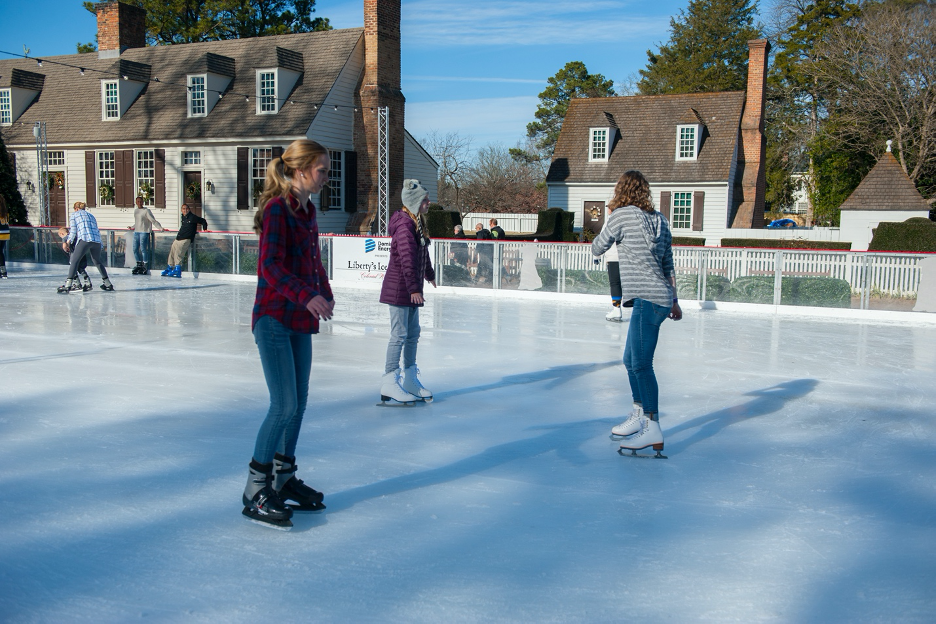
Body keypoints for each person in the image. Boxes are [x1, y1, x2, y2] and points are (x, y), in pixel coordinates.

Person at [243, 139, 335, 530]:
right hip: (274, 318)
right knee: (282, 405)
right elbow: (270, 267)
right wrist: (307, 294)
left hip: (299, 319)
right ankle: (255, 489)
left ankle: (282, 478)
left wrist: (323, 293)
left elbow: (311, 262)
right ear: (300, 171)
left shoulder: (308, 210)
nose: (327, 178)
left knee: (298, 403)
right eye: (322, 170)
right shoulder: (277, 209)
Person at [591, 170, 682, 457]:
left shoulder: (620, 216)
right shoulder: (660, 220)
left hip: (646, 297)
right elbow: (668, 263)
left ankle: (652, 426)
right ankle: (639, 417)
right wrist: (675, 300)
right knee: (630, 360)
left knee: (641, 364)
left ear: (621, 191)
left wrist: (611, 217)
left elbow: (597, 246)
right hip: (661, 299)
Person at [378, 179, 436, 404]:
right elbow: (407, 259)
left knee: (413, 334)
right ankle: (390, 380)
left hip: (410, 288)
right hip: (401, 289)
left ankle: (410, 377)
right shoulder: (404, 226)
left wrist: (429, 274)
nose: (428, 203)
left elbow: (423, 253)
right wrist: (414, 288)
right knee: (399, 334)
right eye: (424, 199)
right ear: (414, 202)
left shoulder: (416, 222)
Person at [60, 202, 114, 293]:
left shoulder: (74, 215)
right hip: (96, 240)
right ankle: (107, 283)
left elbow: (73, 231)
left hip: (85, 239)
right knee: (97, 261)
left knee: (74, 261)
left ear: (76, 208)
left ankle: (68, 284)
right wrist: (100, 244)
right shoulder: (91, 215)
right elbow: (96, 229)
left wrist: (68, 242)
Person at [160, 204, 207, 278]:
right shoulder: (183, 217)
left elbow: (203, 221)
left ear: (189, 209)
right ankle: (170, 267)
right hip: (178, 237)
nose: (185, 210)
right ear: (181, 210)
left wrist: (205, 229)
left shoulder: (192, 217)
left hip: (186, 238)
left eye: (186, 209)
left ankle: (177, 269)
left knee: (178, 253)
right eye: (183, 209)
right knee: (172, 252)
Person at [129, 196, 164, 275]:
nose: (139, 203)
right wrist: (132, 227)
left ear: (143, 202)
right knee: (134, 249)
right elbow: (138, 222)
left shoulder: (146, 211)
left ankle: (145, 264)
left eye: (141, 201)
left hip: (144, 232)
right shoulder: (136, 211)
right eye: (138, 201)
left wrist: (160, 228)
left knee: (143, 249)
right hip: (136, 232)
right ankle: (139, 263)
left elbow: (152, 220)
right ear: (136, 202)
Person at [57, 226, 92, 292]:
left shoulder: (65, 237)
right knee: (81, 269)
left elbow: (64, 246)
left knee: (73, 269)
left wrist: (66, 250)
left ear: (62, 233)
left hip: (74, 256)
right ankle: (88, 282)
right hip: (82, 255)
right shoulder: (76, 236)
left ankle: (77, 284)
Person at [603, 230, 623, 321]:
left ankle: (616, 309)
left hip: (613, 257)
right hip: (627, 257)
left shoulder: (611, 221)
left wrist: (596, 255)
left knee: (615, 283)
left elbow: (603, 238)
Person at [0, 195, 8, 279]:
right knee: (0, 251)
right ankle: (2, 270)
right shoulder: (4, 210)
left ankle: (3, 270)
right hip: (5, 233)